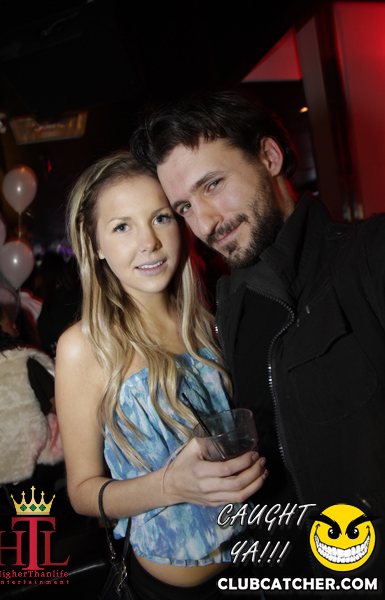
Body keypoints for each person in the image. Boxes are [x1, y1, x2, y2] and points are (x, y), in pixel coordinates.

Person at [130, 91, 385, 583]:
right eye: (184, 207)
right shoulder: (227, 305)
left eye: (213, 184)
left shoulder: (368, 258)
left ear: (269, 156)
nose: (205, 223)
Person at [55, 151, 268, 600]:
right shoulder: (84, 347)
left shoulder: (213, 319)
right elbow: (82, 493)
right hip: (168, 591)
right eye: (122, 227)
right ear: (95, 244)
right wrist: (169, 485)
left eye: (161, 217)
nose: (149, 242)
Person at [0, 303, 63, 497]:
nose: (14, 325)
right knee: (37, 511)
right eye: (8, 322)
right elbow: (57, 405)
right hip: (36, 462)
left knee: (17, 510)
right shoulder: (24, 362)